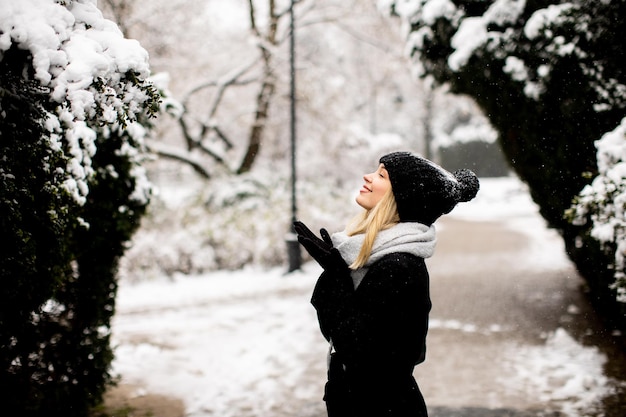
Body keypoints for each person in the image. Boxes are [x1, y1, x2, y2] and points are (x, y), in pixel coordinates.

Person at [294, 151, 479, 417]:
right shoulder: (380, 259)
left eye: (382, 175)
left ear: (402, 197)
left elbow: (361, 352)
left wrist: (337, 281)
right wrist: (338, 275)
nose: (367, 177)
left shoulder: (400, 268)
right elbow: (338, 335)